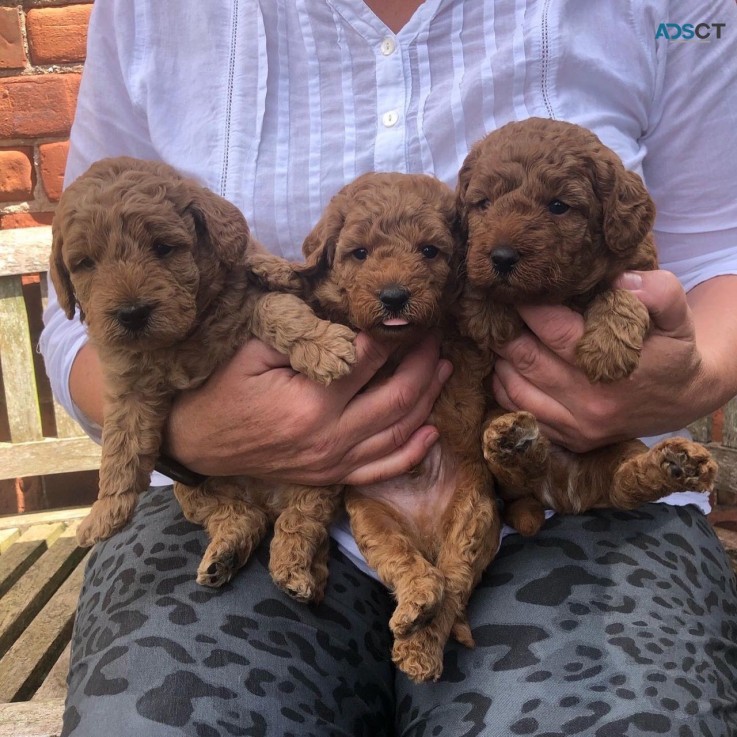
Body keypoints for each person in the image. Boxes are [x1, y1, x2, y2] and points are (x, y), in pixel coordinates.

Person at [40, 1, 737, 735]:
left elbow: (721, 254)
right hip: (236, 496)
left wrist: (694, 377)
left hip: (570, 501)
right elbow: (79, 296)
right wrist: (187, 430)